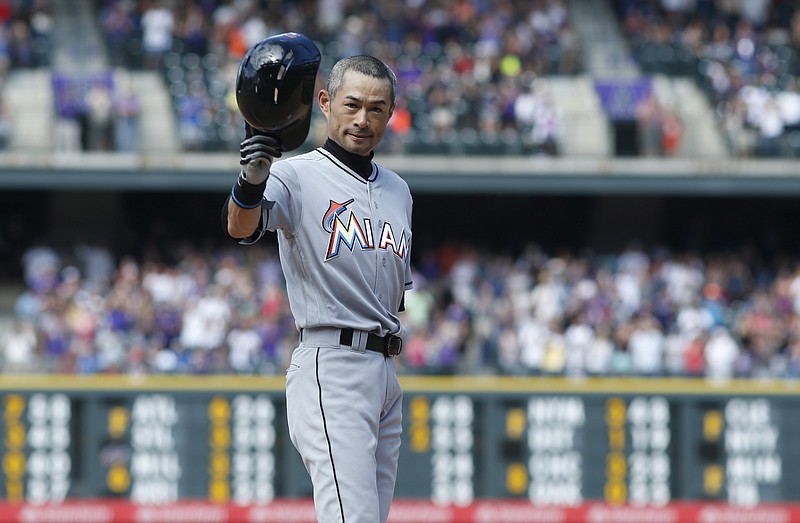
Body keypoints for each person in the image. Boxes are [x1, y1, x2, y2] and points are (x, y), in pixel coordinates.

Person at [225, 55, 413, 523]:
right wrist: (250, 181)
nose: (362, 119)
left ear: (390, 114)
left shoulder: (399, 191)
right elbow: (241, 227)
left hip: (386, 371)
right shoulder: (297, 175)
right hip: (333, 363)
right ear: (325, 103)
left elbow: (396, 293)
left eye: (376, 108)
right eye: (352, 105)